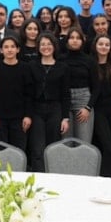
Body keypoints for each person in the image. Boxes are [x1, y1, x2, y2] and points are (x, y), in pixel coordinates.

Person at [28, 33, 71, 172]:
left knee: (53, 146)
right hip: (36, 109)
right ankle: (38, 177)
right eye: (42, 44)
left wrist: (65, 117)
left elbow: (65, 94)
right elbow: (27, 92)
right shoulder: (32, 65)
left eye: (49, 44)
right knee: (37, 147)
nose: (46, 47)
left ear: (54, 46)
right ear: (38, 47)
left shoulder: (63, 67)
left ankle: (53, 177)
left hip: (55, 109)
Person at [0, 36, 32, 152]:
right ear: (1, 50)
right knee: (1, 151)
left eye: (13, 47)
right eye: (6, 47)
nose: (9, 50)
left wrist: (28, 115)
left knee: (18, 151)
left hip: (19, 118)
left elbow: (29, 94)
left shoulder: (25, 68)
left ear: (18, 49)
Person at [60, 28, 98, 143]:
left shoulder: (89, 60)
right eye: (72, 38)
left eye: (78, 38)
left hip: (84, 101)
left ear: (82, 41)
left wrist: (88, 108)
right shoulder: (60, 59)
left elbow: (96, 87)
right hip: (64, 101)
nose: (75, 40)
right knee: (66, 142)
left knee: (83, 142)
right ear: (67, 41)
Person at [91, 35, 111, 177]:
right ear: (95, 46)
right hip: (97, 110)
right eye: (101, 44)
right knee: (108, 147)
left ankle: (106, 175)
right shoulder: (90, 65)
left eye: (107, 45)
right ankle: (104, 177)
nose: (103, 47)